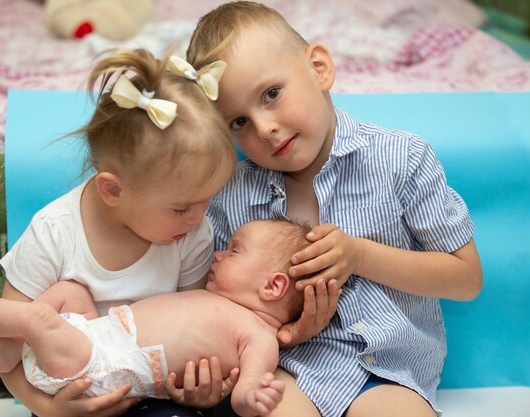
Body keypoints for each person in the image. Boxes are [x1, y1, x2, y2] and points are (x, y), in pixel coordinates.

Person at [185, 2, 484, 417]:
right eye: (238, 122)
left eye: (271, 94)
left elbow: (466, 279)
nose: (264, 128)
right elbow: (212, 297)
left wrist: (360, 256)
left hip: (391, 369)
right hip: (284, 366)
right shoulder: (231, 193)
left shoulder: (401, 158)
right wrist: (284, 335)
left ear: (319, 68)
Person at [0, 47, 240, 417]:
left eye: (207, 200)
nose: (198, 218)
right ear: (113, 190)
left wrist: (198, 391)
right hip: (72, 395)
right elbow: (9, 345)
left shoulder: (190, 233)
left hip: (152, 392)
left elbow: (195, 320)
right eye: (180, 208)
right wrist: (49, 409)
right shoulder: (54, 234)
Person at [0, 219, 312, 417]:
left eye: (234, 252)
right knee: (71, 290)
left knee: (41, 320)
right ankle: (10, 352)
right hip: (98, 334)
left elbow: (246, 394)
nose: (218, 254)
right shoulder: (223, 302)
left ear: (273, 286)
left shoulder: (259, 336)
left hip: (100, 371)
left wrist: (253, 398)